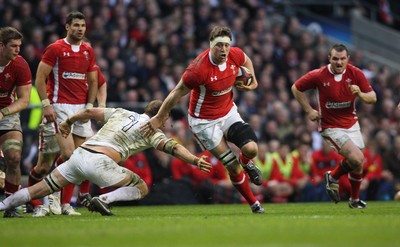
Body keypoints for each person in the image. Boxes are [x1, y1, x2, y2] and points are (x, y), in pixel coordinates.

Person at [0, 100, 212, 216]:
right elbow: (175, 149)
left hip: (79, 156)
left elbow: (90, 112)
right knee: (141, 187)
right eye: (167, 117)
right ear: (161, 116)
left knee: (36, 190)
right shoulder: (152, 131)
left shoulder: (121, 112)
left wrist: (69, 122)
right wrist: (195, 160)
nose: (167, 122)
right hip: (99, 163)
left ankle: (3, 205)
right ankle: (104, 199)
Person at [141, 26, 264, 213]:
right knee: (232, 166)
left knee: (251, 149)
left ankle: (247, 162)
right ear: (211, 46)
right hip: (204, 122)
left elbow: (246, 60)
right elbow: (176, 93)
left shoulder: (235, 55)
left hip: (228, 112)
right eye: (219, 46)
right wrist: (159, 117)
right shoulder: (198, 70)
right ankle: (254, 204)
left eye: (226, 45)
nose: (223, 50)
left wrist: (253, 80)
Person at [291, 43, 377, 209]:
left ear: (347, 59)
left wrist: (359, 93)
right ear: (329, 58)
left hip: (352, 123)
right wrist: (309, 110)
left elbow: (372, 98)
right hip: (330, 126)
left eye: (342, 59)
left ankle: (353, 199)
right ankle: (334, 177)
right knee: (357, 158)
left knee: (358, 163)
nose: (339, 62)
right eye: (335, 59)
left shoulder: (355, 73)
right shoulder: (318, 75)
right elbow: (296, 88)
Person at [32, 11, 98, 216]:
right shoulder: (56, 48)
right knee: (69, 156)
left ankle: (65, 205)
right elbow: (40, 77)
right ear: (67, 27)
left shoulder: (88, 50)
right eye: (76, 25)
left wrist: (89, 106)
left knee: (80, 159)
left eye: (83, 26)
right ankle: (47, 197)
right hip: (60, 106)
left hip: (81, 108)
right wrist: (46, 105)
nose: (80, 29)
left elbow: (94, 81)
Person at [25, 62, 107, 217]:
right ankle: (31, 200)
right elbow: (40, 78)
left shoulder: (92, 67)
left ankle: (64, 202)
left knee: (76, 157)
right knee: (43, 167)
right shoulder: (60, 60)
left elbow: (101, 83)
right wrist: (46, 105)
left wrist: (101, 105)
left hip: (79, 117)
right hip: (55, 114)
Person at [0, 27, 32, 217]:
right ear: (1, 46)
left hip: (8, 114)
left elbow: (24, 99)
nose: (18, 50)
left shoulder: (20, 65)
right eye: (13, 46)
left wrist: (3, 112)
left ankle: (10, 206)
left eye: (19, 46)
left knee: (14, 157)